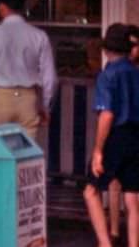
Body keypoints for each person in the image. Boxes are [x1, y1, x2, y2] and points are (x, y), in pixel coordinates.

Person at [83, 24, 139, 247]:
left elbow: (107, 114)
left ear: (106, 49)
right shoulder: (135, 73)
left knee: (91, 191)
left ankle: (105, 244)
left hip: (116, 136)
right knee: (132, 196)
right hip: (136, 136)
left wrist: (98, 150)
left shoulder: (108, 75)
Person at [0, 0, 57, 140]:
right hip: (28, 100)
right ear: (23, 7)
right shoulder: (39, 36)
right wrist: (45, 106)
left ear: (1, 7)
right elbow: (50, 78)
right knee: (26, 157)